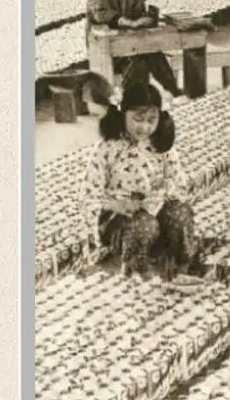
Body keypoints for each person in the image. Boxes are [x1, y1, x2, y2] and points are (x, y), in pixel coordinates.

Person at [84, 82, 204, 282]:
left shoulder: (160, 146)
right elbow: (90, 195)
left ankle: (182, 266)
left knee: (181, 213)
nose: (144, 127)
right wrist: (117, 205)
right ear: (123, 114)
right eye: (138, 119)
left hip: (155, 214)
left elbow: (178, 181)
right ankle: (135, 269)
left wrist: (165, 189)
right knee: (144, 224)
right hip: (120, 221)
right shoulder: (106, 149)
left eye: (151, 120)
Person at [85, 0, 183, 99]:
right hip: (106, 48)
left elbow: (140, 10)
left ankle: (173, 89)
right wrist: (129, 23)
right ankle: (131, 99)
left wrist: (146, 19)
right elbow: (102, 13)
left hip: (131, 44)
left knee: (153, 51)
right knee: (138, 61)